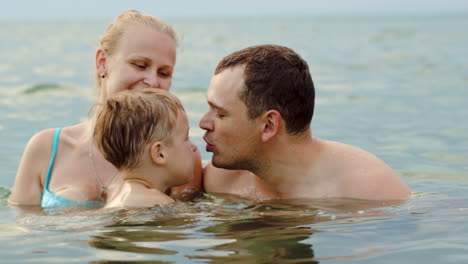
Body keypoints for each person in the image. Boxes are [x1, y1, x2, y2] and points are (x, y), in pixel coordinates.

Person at [8, 10, 202, 208]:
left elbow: (181, 231)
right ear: (102, 63)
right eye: (140, 65)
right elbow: (21, 227)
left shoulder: (180, 157)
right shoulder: (46, 148)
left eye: (164, 73)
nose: (152, 81)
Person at [199, 44, 411, 200]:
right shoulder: (219, 179)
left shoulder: (370, 191)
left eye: (220, 113)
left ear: (269, 125)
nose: (203, 123)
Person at [93, 89, 195, 208]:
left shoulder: (114, 200)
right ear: (159, 153)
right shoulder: (160, 203)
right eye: (186, 138)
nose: (193, 147)